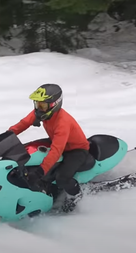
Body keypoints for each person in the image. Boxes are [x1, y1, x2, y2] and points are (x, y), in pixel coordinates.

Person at [6, 83, 92, 212]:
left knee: (62, 178)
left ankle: (77, 196)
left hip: (76, 149)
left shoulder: (62, 122)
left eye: (42, 105)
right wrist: (6, 136)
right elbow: (23, 123)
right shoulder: (43, 113)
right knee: (29, 153)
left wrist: (41, 170)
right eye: (37, 104)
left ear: (54, 104)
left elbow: (56, 150)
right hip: (57, 143)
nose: (39, 108)